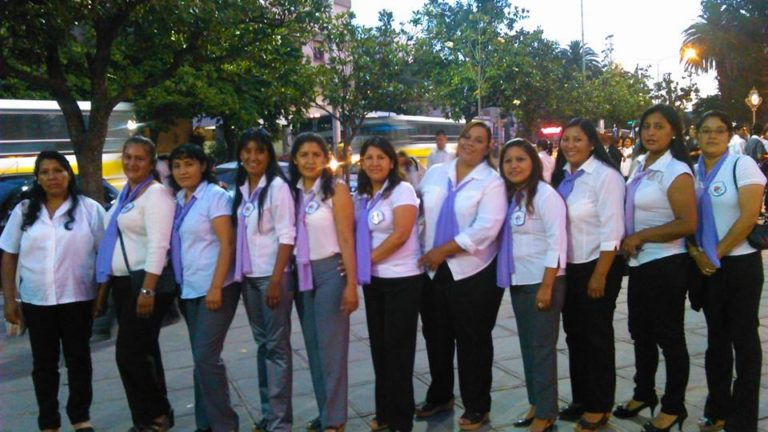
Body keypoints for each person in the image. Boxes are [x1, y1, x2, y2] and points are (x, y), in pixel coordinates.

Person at [1, 151, 105, 432]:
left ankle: (80, 418)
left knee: (78, 361)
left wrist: (101, 296)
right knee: (44, 364)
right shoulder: (24, 211)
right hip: (37, 301)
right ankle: (48, 422)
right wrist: (10, 300)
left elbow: (105, 256)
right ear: (38, 178)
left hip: (78, 298)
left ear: (69, 173)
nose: (52, 177)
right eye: (45, 172)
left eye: (58, 170)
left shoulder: (89, 210)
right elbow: (8, 255)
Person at [416, 120, 507, 431]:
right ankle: (440, 395)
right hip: (433, 271)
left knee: (473, 341)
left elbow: (486, 228)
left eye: (478, 140)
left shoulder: (491, 182)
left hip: (473, 271)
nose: (470, 143)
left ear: (488, 146)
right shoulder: (435, 172)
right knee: (436, 336)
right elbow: (420, 213)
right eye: (467, 136)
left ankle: (477, 404)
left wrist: (443, 250)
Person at [618, 104, 697, 432]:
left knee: (669, 336)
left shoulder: (676, 171)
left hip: (666, 264)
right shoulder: (640, 163)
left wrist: (642, 236)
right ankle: (643, 392)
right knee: (641, 333)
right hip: (639, 263)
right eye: (646, 126)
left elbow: (687, 222)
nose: (650, 132)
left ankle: (674, 406)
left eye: (659, 126)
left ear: (673, 131)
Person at [688, 111, 765, 432]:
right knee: (716, 340)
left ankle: (742, 419)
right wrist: (697, 255)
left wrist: (714, 254)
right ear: (696, 134)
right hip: (707, 268)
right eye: (706, 130)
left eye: (719, 131)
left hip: (739, 265)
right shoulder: (693, 172)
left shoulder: (741, 165)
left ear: (729, 135)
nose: (712, 136)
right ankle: (717, 408)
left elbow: (748, 216)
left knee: (744, 341)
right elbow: (686, 220)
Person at [95, 135, 177, 431]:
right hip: (123, 284)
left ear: (151, 163)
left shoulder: (155, 194)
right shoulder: (126, 195)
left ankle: (157, 412)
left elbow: (159, 245)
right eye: (128, 156)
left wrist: (147, 289)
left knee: (128, 354)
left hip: (145, 283)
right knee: (144, 352)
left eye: (139, 158)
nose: (132, 163)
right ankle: (147, 418)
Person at [551, 119, 625, 431]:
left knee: (596, 335)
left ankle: (599, 404)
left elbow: (613, 229)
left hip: (597, 264)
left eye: (577, 139)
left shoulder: (605, 176)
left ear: (592, 143)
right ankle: (581, 398)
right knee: (575, 334)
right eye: (566, 139)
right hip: (569, 266)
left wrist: (600, 274)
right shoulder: (563, 175)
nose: (570, 145)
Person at [289, 132, 358, 432]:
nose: (310, 160)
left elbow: (346, 237)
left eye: (316, 154)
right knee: (314, 350)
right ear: (294, 159)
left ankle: (336, 419)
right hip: (301, 273)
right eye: (304, 155)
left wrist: (351, 284)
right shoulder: (291, 192)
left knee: (332, 349)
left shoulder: (335, 189)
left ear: (325, 158)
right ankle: (325, 412)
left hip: (331, 272)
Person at [168, 144, 239, 432]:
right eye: (177, 165)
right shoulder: (178, 199)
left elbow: (227, 243)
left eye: (189, 164)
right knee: (201, 359)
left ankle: (225, 424)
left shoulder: (215, 196)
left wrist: (216, 287)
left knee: (206, 357)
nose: (183, 170)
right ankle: (205, 423)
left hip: (216, 287)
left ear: (203, 166)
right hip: (189, 288)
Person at [497, 139, 567, 432]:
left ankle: (547, 412)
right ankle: (536, 403)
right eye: (508, 160)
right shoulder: (514, 196)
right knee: (527, 346)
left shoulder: (546, 195)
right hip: (520, 281)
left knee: (541, 348)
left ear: (533, 163)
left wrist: (547, 286)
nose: (514, 165)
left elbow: (557, 242)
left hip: (543, 280)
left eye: (520, 159)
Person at [356, 137, 423, 432]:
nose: (374, 163)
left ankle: (401, 419)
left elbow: (400, 235)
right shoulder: (363, 194)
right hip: (375, 281)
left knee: (399, 351)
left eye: (380, 157)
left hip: (403, 280)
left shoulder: (402, 190)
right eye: (369, 158)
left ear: (391, 162)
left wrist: (363, 261)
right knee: (379, 348)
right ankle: (384, 412)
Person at [233, 129, 296, 432]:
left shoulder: (277, 188)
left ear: (268, 155)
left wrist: (275, 279)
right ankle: (269, 414)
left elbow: (287, 236)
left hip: (273, 278)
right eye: (247, 151)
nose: (252, 157)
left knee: (277, 348)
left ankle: (280, 422)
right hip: (249, 279)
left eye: (259, 151)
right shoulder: (242, 188)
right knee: (263, 347)